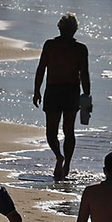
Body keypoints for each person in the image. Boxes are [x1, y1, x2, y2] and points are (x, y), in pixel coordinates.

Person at [32, 14, 91, 181]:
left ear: (59, 28)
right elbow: (84, 74)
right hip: (71, 91)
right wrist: (86, 95)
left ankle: (59, 156)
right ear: (75, 30)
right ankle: (66, 165)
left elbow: (41, 69)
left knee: (51, 131)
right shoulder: (80, 49)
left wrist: (37, 90)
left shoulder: (50, 45)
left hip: (53, 90)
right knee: (68, 130)